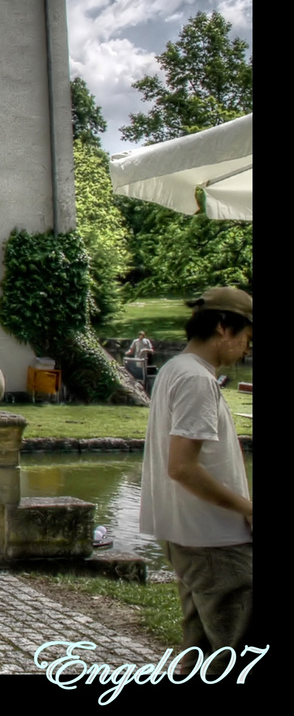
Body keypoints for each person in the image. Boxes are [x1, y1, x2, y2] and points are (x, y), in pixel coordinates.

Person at [139, 287, 254, 673]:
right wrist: (246, 508)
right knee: (241, 654)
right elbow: (182, 467)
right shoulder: (197, 380)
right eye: (246, 337)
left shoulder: (176, 369)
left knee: (200, 654)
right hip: (215, 541)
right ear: (224, 327)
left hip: (189, 536)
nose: (246, 349)